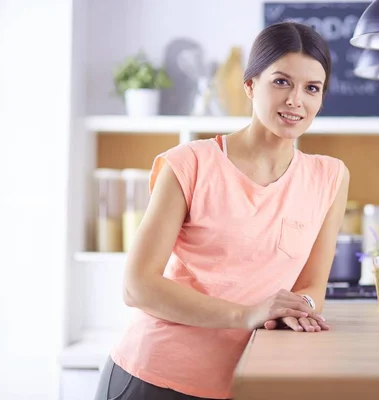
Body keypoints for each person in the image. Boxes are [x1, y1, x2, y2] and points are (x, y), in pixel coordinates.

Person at [94, 21, 350, 400]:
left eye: (312, 88)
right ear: (250, 85)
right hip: (155, 377)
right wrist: (248, 314)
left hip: (244, 382)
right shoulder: (190, 164)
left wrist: (301, 308)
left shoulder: (329, 177)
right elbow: (138, 286)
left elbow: (312, 285)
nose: (296, 99)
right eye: (281, 82)